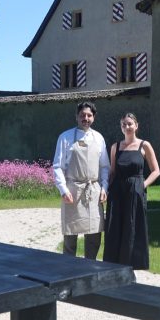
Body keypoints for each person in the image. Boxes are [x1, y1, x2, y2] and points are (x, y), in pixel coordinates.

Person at [52, 101, 109, 258]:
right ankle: (69, 270)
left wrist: (105, 187)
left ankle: (89, 268)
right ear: (76, 117)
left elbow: (104, 166)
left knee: (94, 235)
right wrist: (63, 189)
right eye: (82, 115)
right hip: (73, 190)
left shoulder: (99, 138)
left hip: (93, 191)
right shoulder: (65, 137)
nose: (86, 118)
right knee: (70, 236)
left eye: (89, 115)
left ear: (94, 117)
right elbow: (57, 166)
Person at [103, 112, 160, 270]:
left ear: (136, 125)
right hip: (117, 192)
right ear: (121, 127)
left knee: (133, 224)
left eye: (129, 124)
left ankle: (133, 263)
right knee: (115, 225)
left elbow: (156, 171)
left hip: (135, 190)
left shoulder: (145, 145)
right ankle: (114, 263)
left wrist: (143, 185)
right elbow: (112, 171)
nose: (127, 127)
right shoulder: (115, 146)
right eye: (124, 124)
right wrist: (105, 189)